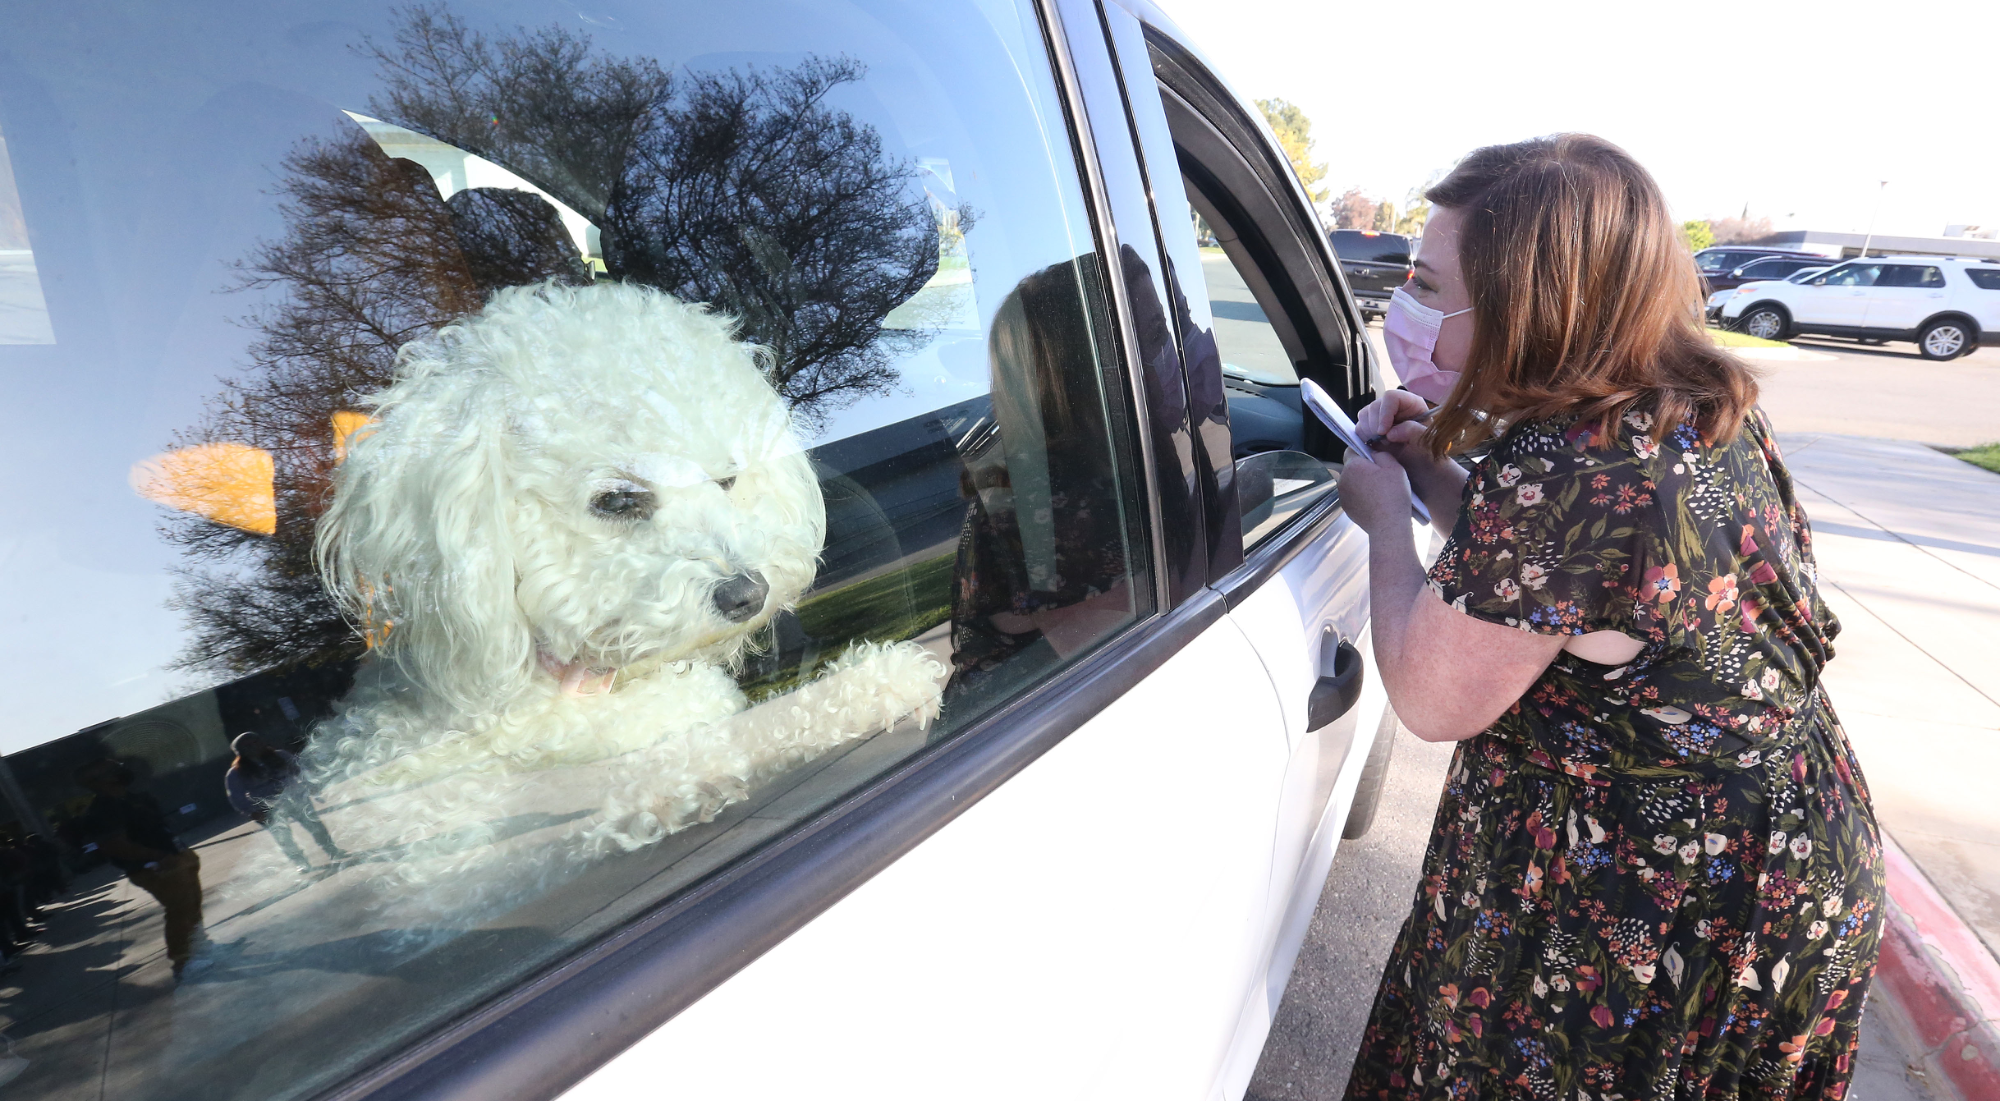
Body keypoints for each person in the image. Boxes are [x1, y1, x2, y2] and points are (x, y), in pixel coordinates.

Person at [1336, 135, 1881, 1100]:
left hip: (1659, 894)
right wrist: (1435, 478)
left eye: (1428, 286)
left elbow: (1430, 692)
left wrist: (1386, 521)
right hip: (1779, 855)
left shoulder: (1565, 471)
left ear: (1527, 305)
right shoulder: (1684, 409)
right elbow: (1572, 597)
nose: (1404, 313)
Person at [73, 759, 211, 980]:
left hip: (175, 857)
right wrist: (157, 857)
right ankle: (183, 962)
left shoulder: (132, 798)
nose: (119, 770)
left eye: (117, 766)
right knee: (179, 911)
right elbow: (116, 845)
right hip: (155, 868)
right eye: (111, 770)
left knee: (192, 905)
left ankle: (200, 946)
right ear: (96, 782)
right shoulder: (101, 811)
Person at [223, 732, 344, 872]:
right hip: (268, 808)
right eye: (248, 745)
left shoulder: (281, 756)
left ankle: (332, 851)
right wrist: (252, 812)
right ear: (240, 751)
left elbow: (300, 770)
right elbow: (236, 796)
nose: (254, 746)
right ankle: (301, 862)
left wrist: (311, 786)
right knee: (283, 837)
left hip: (295, 798)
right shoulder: (236, 773)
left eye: (256, 741)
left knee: (315, 825)